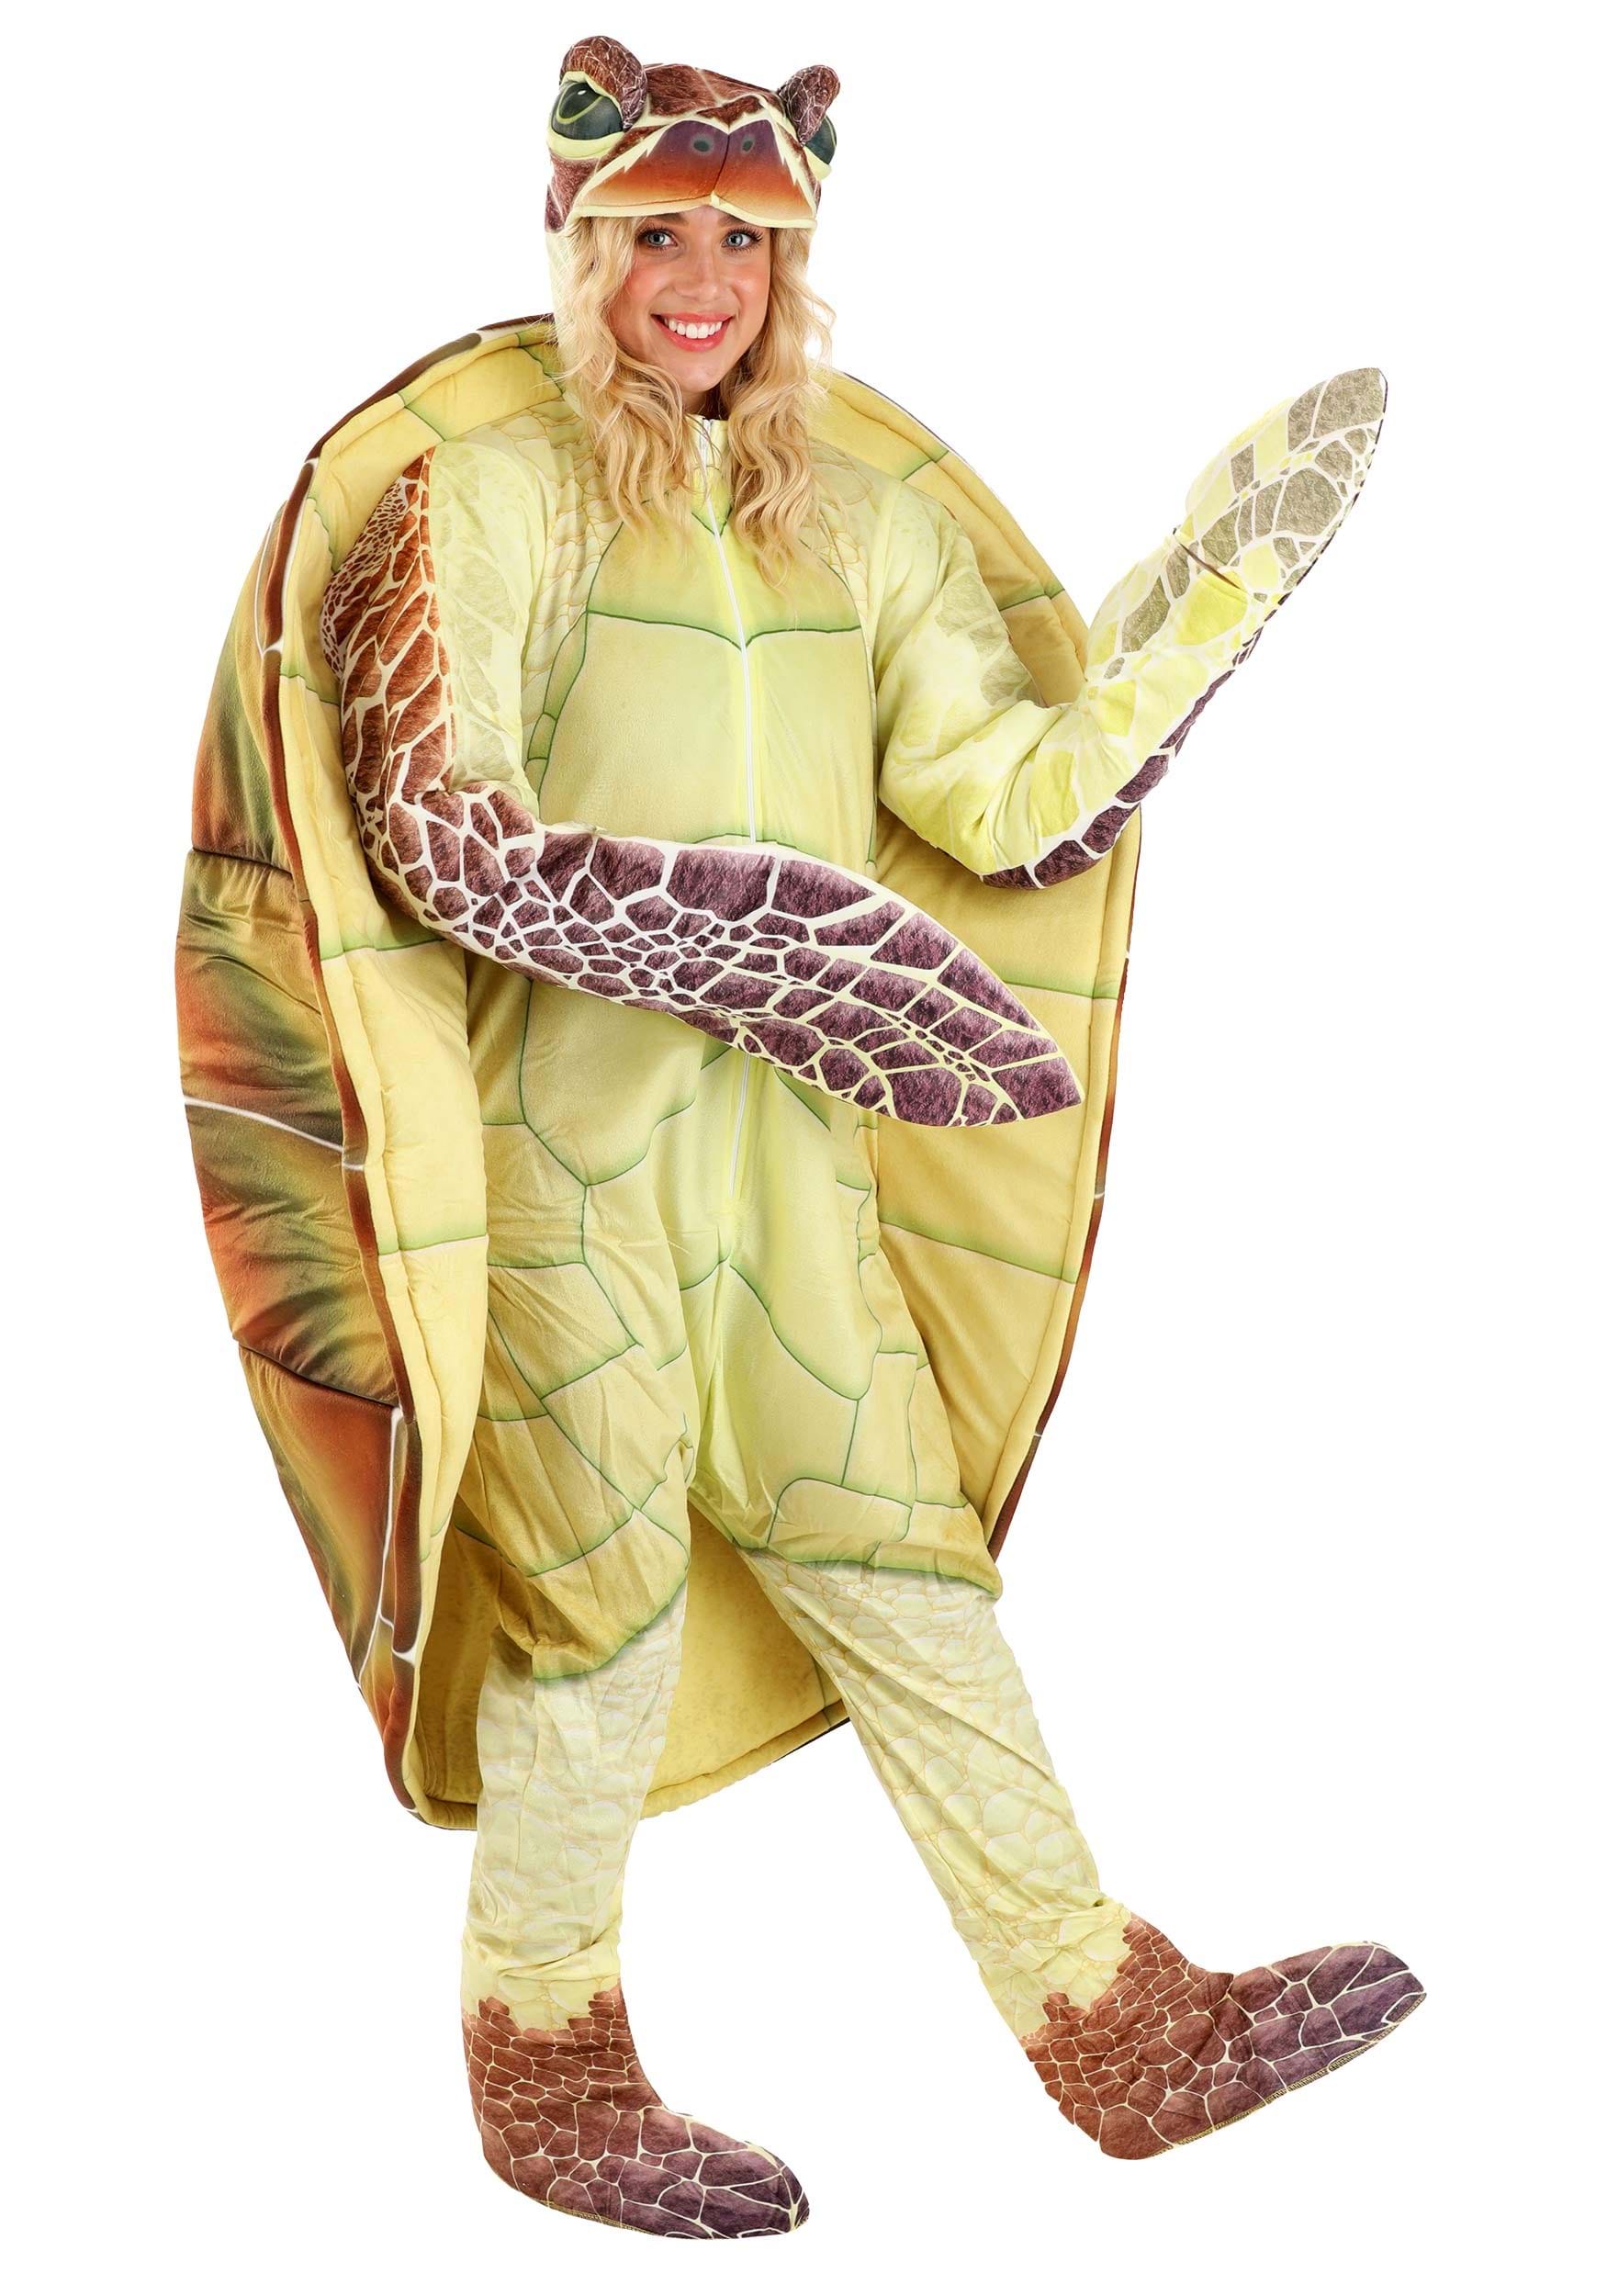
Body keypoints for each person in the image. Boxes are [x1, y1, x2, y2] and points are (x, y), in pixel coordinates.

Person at [312, 36, 1425, 2240]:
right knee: (592, 1612)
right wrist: (744, 942)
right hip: (561, 1159)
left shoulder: (864, 518)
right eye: (657, 231)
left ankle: (1102, 2010)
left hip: (790, 1162)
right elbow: (440, 831)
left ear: (792, 263)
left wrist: (1189, 622)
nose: (699, 278)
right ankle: (547, 2053)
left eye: (745, 240)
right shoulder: (484, 496)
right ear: (579, 242)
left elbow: (992, 800)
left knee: (912, 1578)